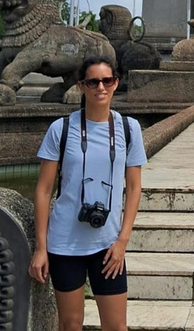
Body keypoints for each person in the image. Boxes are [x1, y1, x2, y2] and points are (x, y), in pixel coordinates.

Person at [28, 56, 146, 331]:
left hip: (108, 245)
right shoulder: (62, 129)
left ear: (116, 83)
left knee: (116, 326)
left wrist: (122, 241)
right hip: (64, 244)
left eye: (107, 80)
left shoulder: (129, 129)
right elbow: (44, 190)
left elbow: (134, 187)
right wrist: (41, 248)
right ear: (81, 86)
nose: (100, 87)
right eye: (93, 81)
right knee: (70, 324)